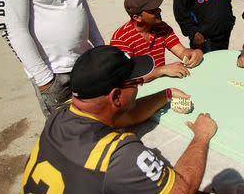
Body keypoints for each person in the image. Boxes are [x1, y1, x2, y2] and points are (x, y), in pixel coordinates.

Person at [21, 45, 218, 193]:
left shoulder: (60, 113)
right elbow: (182, 188)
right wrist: (201, 136)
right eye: (134, 82)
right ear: (115, 97)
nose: (139, 86)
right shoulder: (120, 155)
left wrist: (164, 94)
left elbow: (125, 117)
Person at [110, 0, 203, 83]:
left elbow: (182, 51)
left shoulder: (162, 27)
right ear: (137, 17)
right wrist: (161, 70)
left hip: (160, 85)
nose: (159, 11)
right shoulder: (121, 39)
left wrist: (195, 53)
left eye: (157, 8)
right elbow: (126, 80)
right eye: (152, 11)